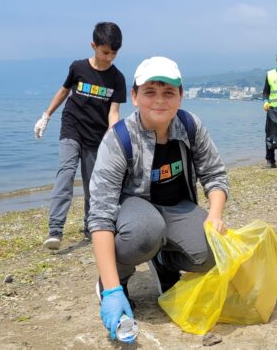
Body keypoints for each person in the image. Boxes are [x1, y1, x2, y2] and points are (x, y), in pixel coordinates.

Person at [87, 56, 229, 340]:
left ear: (181, 96)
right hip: (135, 215)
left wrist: (214, 215)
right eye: (150, 92)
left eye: (169, 93)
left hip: (177, 207)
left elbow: (215, 175)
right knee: (145, 231)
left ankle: (165, 263)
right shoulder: (119, 139)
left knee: (214, 252)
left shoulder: (190, 126)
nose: (160, 101)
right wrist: (112, 290)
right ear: (135, 96)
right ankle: (116, 280)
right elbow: (100, 215)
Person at [35, 22, 126, 250]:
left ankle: (90, 226)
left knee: (92, 184)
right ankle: (55, 229)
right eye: (105, 52)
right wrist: (46, 115)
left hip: (96, 135)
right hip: (72, 126)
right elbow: (64, 91)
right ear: (93, 46)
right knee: (65, 173)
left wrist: (112, 137)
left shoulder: (117, 78)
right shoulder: (78, 67)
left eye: (114, 53)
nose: (109, 57)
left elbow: (113, 112)